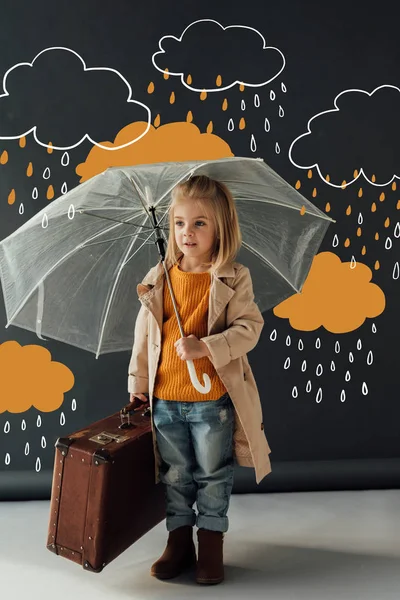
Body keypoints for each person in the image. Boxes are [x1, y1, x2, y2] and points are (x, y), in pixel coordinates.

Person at [128, 175, 271, 585]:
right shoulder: (160, 275)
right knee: (174, 472)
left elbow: (250, 327)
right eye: (179, 223)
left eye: (199, 224)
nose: (187, 233)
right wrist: (139, 380)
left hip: (212, 401)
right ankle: (178, 542)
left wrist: (207, 347)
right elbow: (145, 334)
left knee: (212, 472)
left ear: (220, 227)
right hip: (166, 397)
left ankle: (210, 542)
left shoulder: (231, 277)